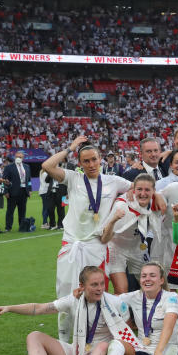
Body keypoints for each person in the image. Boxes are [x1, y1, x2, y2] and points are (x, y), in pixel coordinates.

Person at [0, 266, 139, 355]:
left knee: (102, 345)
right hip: (78, 353)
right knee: (34, 336)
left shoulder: (115, 302)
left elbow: (126, 335)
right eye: (94, 285)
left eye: (102, 284)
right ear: (81, 286)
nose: (100, 288)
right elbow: (40, 308)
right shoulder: (73, 300)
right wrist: (9, 308)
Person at [42, 136, 133, 342]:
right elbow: (47, 165)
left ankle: (96, 339)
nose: (91, 164)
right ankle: (66, 342)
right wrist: (71, 147)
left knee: (96, 294)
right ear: (80, 163)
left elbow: (138, 188)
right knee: (66, 294)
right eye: (86, 161)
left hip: (96, 246)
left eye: (94, 159)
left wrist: (120, 206)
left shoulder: (114, 181)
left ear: (101, 159)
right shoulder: (74, 178)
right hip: (72, 246)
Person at [118, 262, 178, 355]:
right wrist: (80, 294)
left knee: (172, 348)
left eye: (152, 275)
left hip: (164, 352)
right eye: (143, 276)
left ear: (161, 280)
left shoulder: (171, 297)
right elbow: (108, 299)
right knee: (116, 344)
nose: (147, 279)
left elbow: (168, 326)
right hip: (142, 354)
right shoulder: (134, 296)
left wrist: (158, 352)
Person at [100, 173, 165, 294]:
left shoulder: (156, 203)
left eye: (147, 190)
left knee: (153, 285)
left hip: (138, 248)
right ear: (133, 190)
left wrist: (158, 195)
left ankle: (148, 311)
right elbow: (104, 239)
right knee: (122, 290)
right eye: (139, 189)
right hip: (116, 249)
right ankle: (119, 313)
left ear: (154, 191)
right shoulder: (122, 206)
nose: (143, 193)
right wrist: (114, 220)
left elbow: (164, 205)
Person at [2, 150, 31, 231]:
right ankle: (8, 227)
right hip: (12, 192)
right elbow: (4, 179)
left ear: (23, 158)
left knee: (22, 211)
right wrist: (6, 191)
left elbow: (29, 180)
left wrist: (30, 190)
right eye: (17, 157)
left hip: (24, 191)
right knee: (10, 211)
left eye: (20, 157)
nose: (19, 158)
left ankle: (22, 226)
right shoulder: (9, 167)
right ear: (15, 157)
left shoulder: (27, 167)